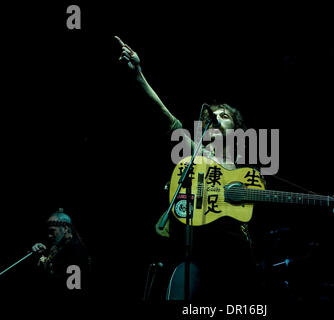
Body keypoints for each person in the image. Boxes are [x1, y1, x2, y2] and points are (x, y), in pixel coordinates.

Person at [115, 36, 260, 301]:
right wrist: (138, 74)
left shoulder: (245, 174)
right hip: (203, 258)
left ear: (236, 130)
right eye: (212, 116)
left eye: (224, 116)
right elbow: (165, 116)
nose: (216, 118)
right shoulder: (200, 154)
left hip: (238, 262)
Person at [31, 208, 91, 300]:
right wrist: (41, 255)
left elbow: (74, 288)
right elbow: (48, 262)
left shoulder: (76, 251)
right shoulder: (57, 246)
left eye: (52, 231)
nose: (49, 236)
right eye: (48, 232)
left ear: (65, 229)